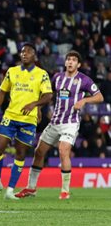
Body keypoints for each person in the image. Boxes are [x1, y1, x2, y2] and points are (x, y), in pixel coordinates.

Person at [16, 51, 102, 200]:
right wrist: (38, 108)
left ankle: (65, 191)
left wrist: (84, 101)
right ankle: (31, 188)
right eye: (68, 59)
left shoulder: (84, 80)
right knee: (39, 152)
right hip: (55, 122)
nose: (70, 62)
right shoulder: (57, 78)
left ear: (78, 65)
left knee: (63, 150)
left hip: (70, 123)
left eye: (74, 60)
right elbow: (47, 95)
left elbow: (99, 97)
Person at [0, 43, 53, 200]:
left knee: (21, 153)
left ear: (34, 56)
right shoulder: (12, 71)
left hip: (28, 120)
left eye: (28, 52)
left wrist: (35, 105)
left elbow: (48, 95)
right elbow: (2, 91)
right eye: (22, 52)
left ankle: (10, 190)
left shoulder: (41, 74)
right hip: (10, 116)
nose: (24, 54)